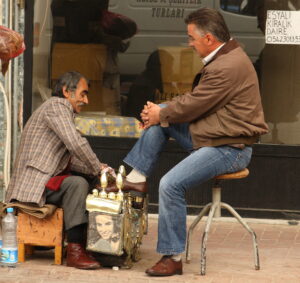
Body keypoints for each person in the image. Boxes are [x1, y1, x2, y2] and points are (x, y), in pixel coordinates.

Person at [120, 8, 269, 276]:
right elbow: (194, 101)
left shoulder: (226, 66)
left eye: (191, 38)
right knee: (162, 116)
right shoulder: (226, 55)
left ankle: (173, 256)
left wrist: (160, 113)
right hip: (215, 134)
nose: (188, 44)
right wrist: (159, 113)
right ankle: (137, 176)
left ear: (209, 38)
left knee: (170, 184)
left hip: (229, 148)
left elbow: (196, 104)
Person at [5, 71, 115, 270]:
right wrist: (97, 168)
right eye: (83, 94)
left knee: (88, 179)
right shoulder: (57, 106)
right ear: (66, 91)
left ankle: (92, 244)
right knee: (77, 184)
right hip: (33, 186)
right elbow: (76, 144)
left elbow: (71, 160)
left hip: (44, 181)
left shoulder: (60, 111)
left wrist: (101, 170)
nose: (86, 100)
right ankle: (75, 250)